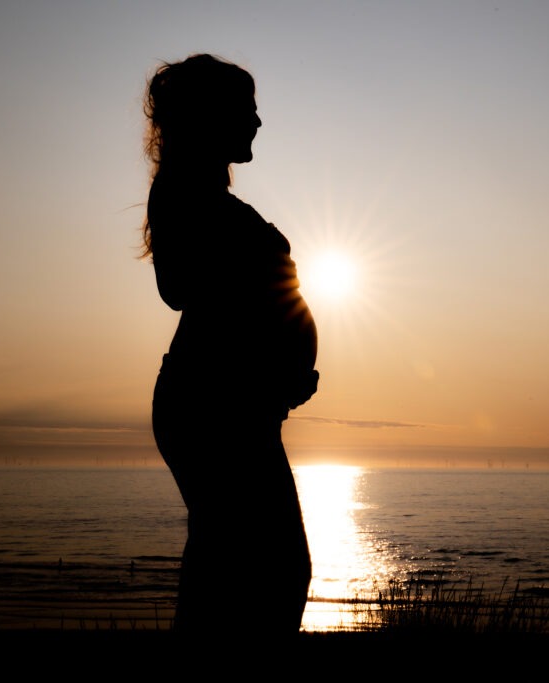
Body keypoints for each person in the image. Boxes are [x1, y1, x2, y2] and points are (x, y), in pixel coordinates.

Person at [143, 54, 318, 635]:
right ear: (210, 116)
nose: (258, 122)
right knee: (271, 569)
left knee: (241, 567)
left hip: (234, 404)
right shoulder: (185, 197)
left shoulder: (206, 200)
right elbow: (180, 286)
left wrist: (285, 367)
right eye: (247, 110)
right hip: (212, 404)